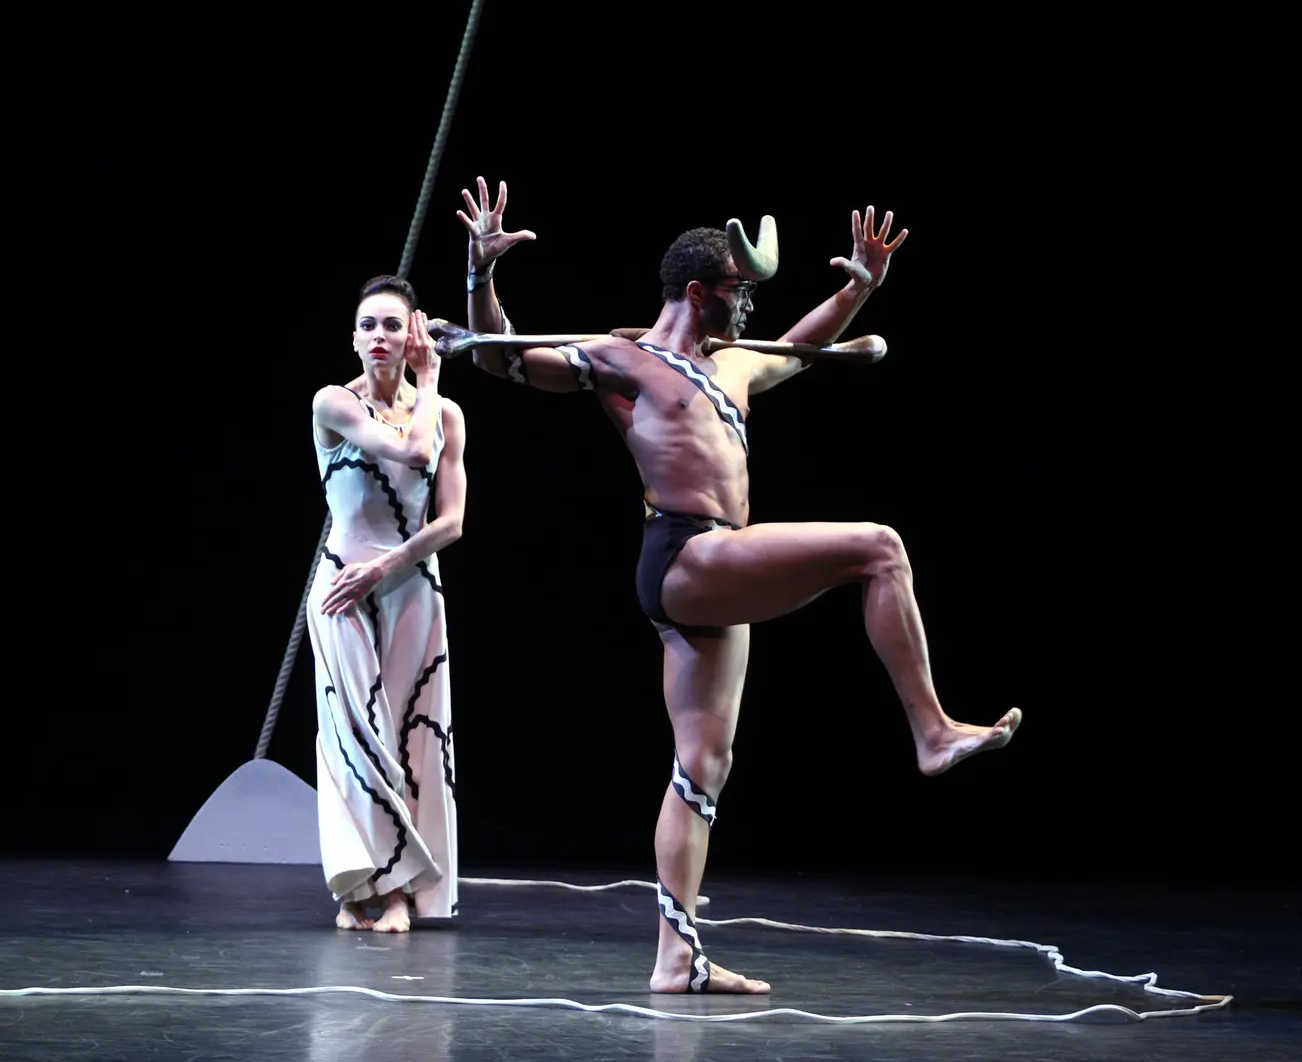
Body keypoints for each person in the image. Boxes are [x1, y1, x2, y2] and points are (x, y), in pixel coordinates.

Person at [455, 177, 1022, 994]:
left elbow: (803, 342)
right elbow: (503, 356)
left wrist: (857, 287)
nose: (748, 309)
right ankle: (930, 732)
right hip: (686, 558)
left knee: (700, 767)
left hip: (717, 571)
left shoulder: (733, 368)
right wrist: (480, 274)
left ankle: (675, 958)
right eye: (738, 294)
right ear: (696, 292)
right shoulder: (625, 363)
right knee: (879, 548)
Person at [307, 275, 467, 933]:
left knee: (411, 739)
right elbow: (409, 449)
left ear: (414, 335)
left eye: (391, 325)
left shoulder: (446, 411)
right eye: (368, 325)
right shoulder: (332, 404)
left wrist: (393, 566)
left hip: (409, 593)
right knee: (357, 741)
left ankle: (398, 890)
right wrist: (428, 387)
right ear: (353, 337)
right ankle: (374, 889)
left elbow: (453, 521)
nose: (379, 336)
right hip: (345, 589)